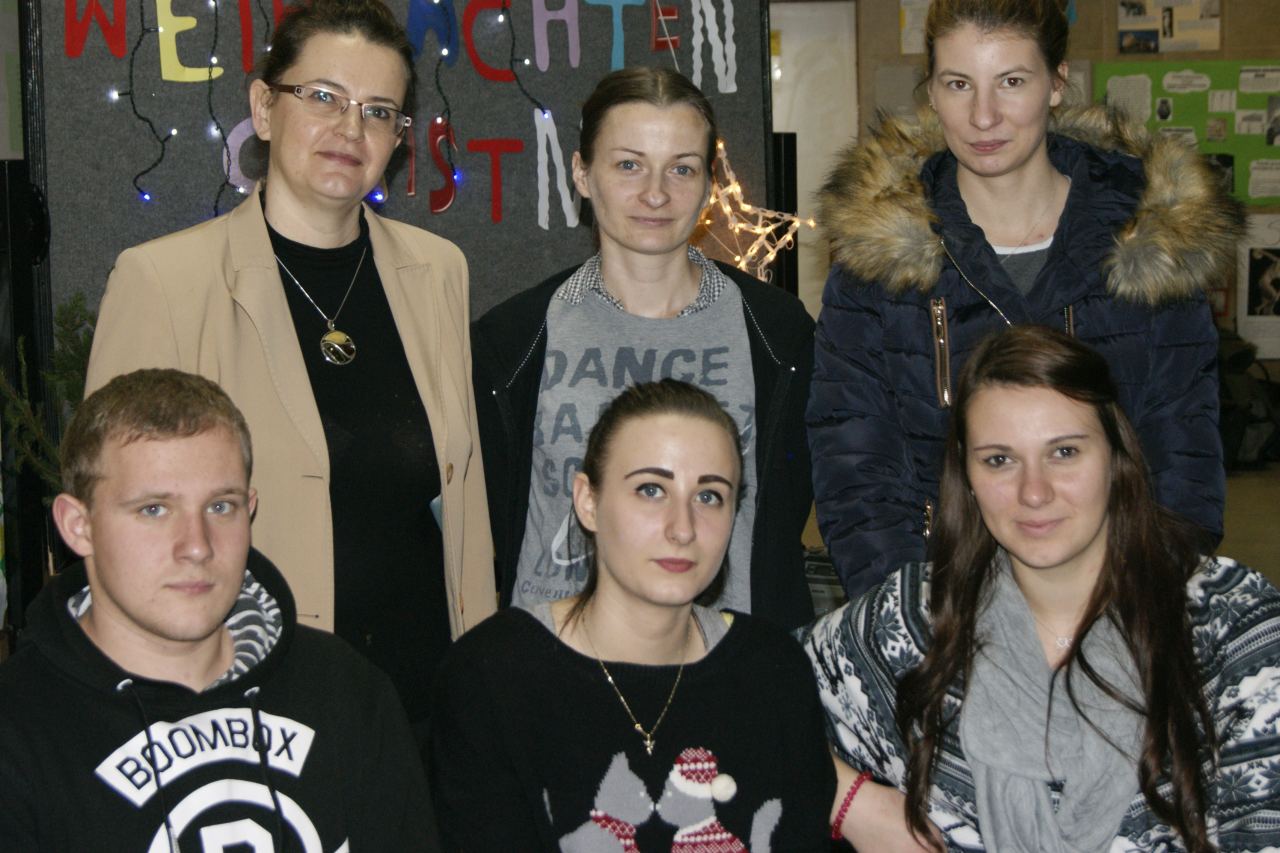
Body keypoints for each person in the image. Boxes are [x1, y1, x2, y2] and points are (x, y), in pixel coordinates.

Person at [84, 0, 494, 730]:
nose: (350, 129)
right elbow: (116, 525)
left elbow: (461, 507)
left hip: (424, 698)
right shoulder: (164, 283)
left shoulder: (439, 271)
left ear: (398, 138)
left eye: (377, 111)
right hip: (250, 698)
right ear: (265, 108)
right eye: (324, 97)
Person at [807, 0, 1243, 598]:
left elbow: (1183, 455)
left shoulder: (1152, 240)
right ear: (930, 91)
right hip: (942, 595)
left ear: (1057, 83)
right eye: (958, 84)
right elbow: (855, 466)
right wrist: (912, 614)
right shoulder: (877, 256)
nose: (983, 115)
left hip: (1117, 595)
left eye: (1011, 82)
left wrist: (1140, 603)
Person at [804, 327, 1280, 851]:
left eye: (1065, 452)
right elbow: (742, 692)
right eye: (999, 460)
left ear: (1117, 457)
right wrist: (851, 803)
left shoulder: (1230, 627)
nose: (1034, 492)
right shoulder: (913, 620)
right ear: (966, 476)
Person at [0, 369, 433, 850]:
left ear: (250, 508)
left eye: (221, 507)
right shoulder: (19, 730)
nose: (197, 546)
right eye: (153, 509)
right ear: (78, 526)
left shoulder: (346, 694)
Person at [472, 67, 816, 631]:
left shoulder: (778, 335)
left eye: (682, 168)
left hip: (726, 658)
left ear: (709, 184)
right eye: (629, 165)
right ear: (582, 174)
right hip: (555, 657)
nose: (656, 194)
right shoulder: (514, 339)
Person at [432, 380, 834, 850]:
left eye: (709, 496)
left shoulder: (774, 672)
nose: (682, 529)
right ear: (588, 502)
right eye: (651, 489)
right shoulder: (492, 676)